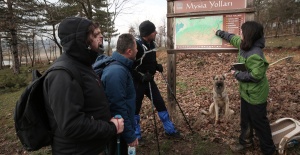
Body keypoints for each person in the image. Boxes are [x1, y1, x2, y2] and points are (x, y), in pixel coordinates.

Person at [43, 17, 124, 154]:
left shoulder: (83, 64)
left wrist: (106, 120)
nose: (101, 37)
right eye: (95, 34)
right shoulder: (62, 74)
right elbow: (71, 125)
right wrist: (111, 127)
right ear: (82, 40)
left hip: (94, 146)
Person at [215, 21, 276, 155]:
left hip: (256, 94)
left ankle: (269, 150)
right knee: (245, 120)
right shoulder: (244, 45)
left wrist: (237, 74)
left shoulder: (256, 53)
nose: (240, 33)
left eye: (242, 31)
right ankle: (246, 142)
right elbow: (233, 38)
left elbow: (256, 76)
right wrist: (219, 32)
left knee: (260, 123)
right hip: (246, 92)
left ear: (248, 34)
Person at [132, 20, 180, 142]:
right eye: (154, 31)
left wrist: (156, 66)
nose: (156, 32)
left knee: (160, 103)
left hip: (149, 81)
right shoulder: (136, 46)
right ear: (147, 33)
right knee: (135, 108)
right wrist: (141, 76)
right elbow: (129, 67)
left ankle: (169, 130)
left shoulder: (152, 43)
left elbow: (149, 60)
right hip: (138, 83)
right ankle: (136, 136)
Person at [93, 33, 139, 155]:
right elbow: (117, 107)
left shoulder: (122, 67)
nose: (137, 50)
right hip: (118, 131)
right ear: (129, 51)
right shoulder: (117, 72)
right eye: (136, 48)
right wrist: (129, 135)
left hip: (122, 128)